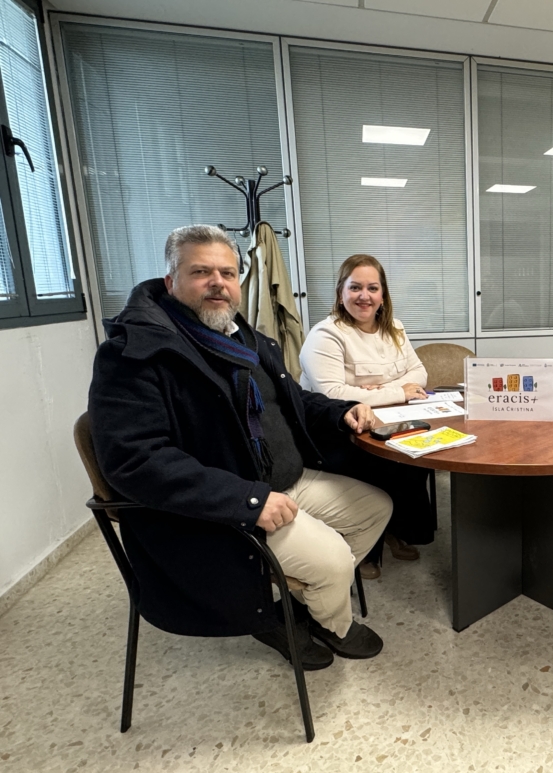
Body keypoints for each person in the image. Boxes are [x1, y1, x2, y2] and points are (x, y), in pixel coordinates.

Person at [89, 224, 392, 671]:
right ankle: (319, 621)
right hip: (223, 508)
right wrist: (246, 500)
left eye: (228, 273)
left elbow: (291, 400)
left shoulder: (240, 337)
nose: (218, 283)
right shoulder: (134, 353)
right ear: (171, 281)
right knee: (332, 562)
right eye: (201, 272)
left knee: (375, 509)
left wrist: (342, 410)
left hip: (283, 480)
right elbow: (134, 460)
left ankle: (293, 603)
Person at [299, 254, 434, 580]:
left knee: (416, 458)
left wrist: (373, 390)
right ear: (340, 293)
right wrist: (397, 390)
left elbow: (419, 373)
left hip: (388, 421)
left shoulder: (395, 328)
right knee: (375, 463)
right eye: (355, 287)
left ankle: (396, 530)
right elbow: (333, 394)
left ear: (383, 295)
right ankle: (364, 546)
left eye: (373, 288)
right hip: (334, 432)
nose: (365, 296)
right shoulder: (325, 335)